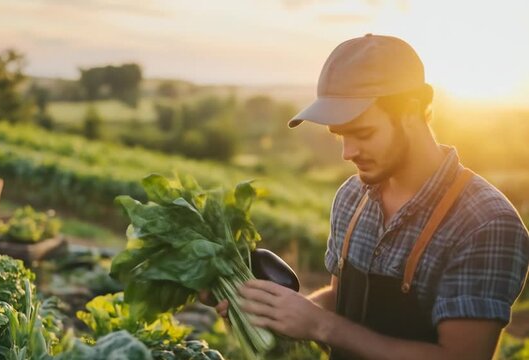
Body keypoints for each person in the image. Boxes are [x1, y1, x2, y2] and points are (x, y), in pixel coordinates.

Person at [208, 34, 529, 359]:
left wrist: (321, 326)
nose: (348, 152)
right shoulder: (352, 197)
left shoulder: (485, 224)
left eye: (363, 133)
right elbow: (343, 300)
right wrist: (279, 314)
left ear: (413, 109)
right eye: (340, 135)